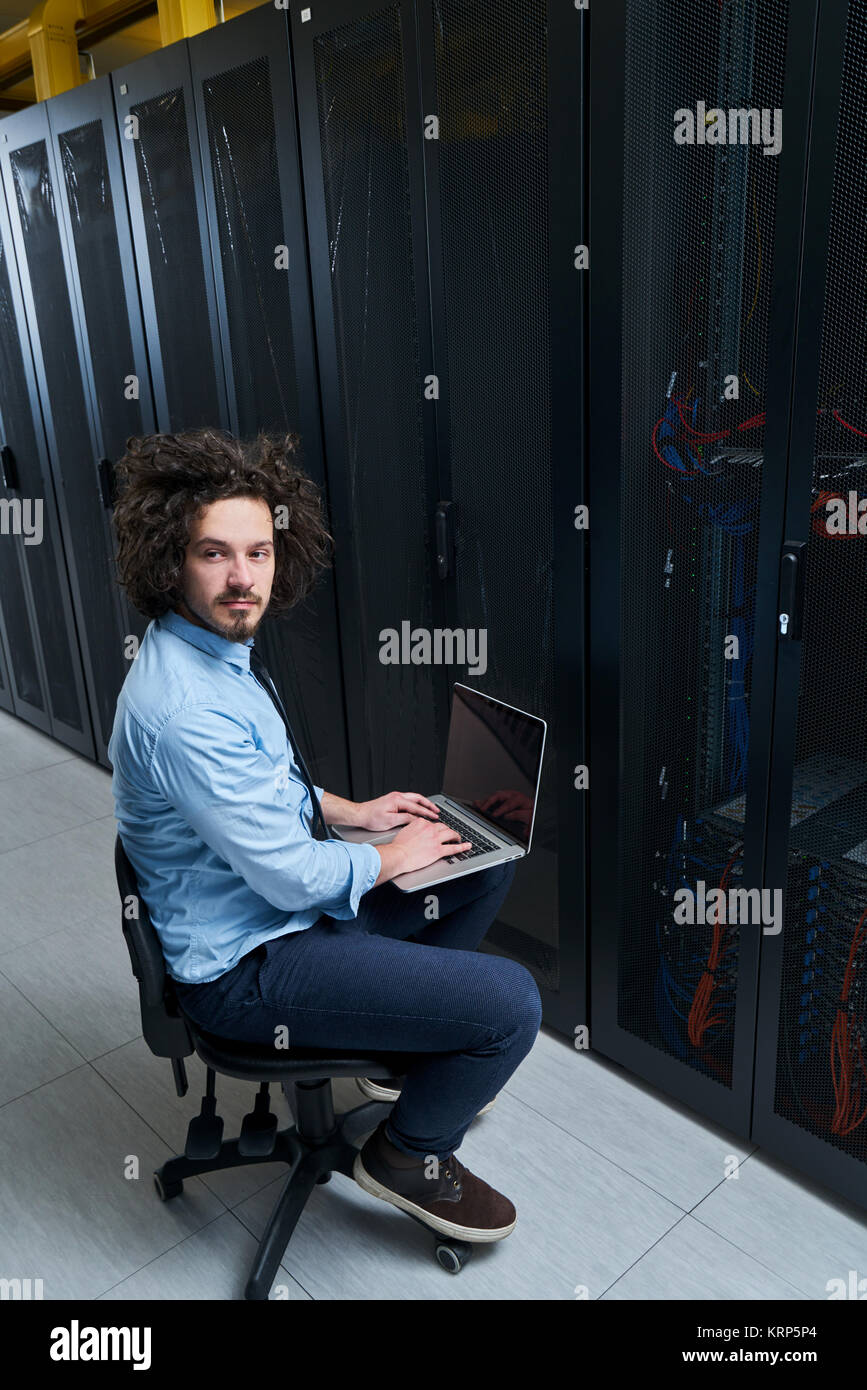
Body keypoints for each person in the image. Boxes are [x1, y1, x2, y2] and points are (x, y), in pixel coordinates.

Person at [108, 426, 542, 1244]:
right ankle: (408, 1154)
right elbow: (293, 880)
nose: (244, 579)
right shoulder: (186, 708)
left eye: (259, 552)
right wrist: (386, 857)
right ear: (170, 561)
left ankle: (409, 1049)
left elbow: (264, 786)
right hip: (250, 965)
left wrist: (358, 814)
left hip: (274, 915)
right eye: (214, 554)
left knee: (476, 861)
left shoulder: (211, 655)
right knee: (513, 1002)